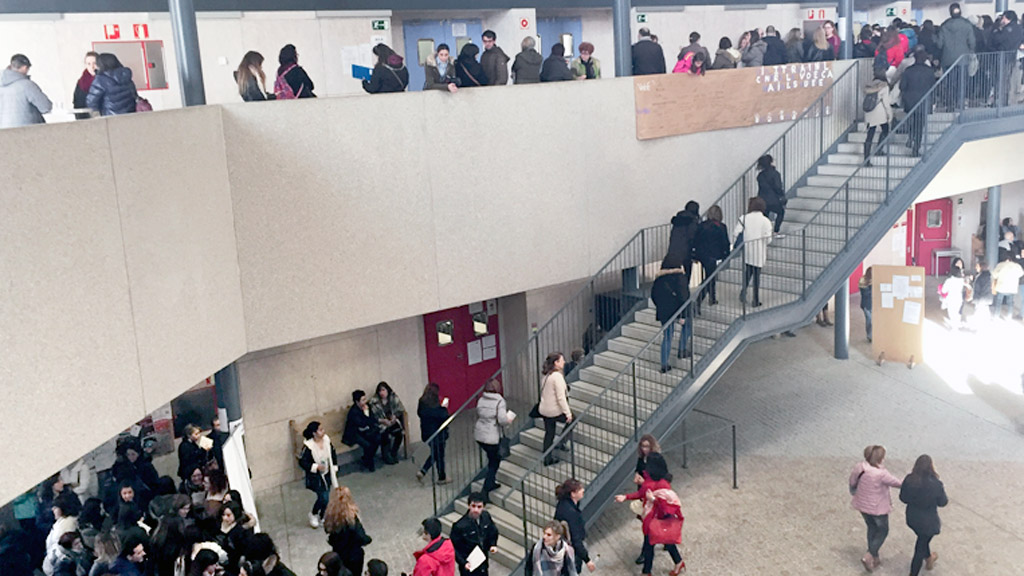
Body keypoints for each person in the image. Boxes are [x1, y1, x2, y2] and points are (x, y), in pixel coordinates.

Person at [614, 453, 685, 576]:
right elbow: (641, 493)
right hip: (654, 517)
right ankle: (676, 563)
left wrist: (652, 499)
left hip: (656, 517)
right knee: (664, 541)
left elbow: (665, 505)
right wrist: (625, 497)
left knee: (651, 543)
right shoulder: (655, 480)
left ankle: (647, 572)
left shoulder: (661, 484)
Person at [849, 445, 902, 572]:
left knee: (871, 528)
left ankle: (875, 557)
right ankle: (869, 554)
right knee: (883, 531)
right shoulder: (881, 474)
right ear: (880, 459)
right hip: (877, 508)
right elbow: (897, 483)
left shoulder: (860, 467)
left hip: (862, 505)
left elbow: (852, 482)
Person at [900, 455, 948, 576]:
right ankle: (913, 573)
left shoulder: (909, 480)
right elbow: (943, 502)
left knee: (923, 540)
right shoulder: (936, 484)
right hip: (928, 522)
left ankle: (929, 558)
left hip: (912, 518)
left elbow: (903, 498)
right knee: (920, 547)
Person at [475, 378, 514, 501]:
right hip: (492, 436)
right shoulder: (499, 401)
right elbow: (502, 420)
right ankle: (485, 490)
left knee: (492, 458)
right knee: (494, 462)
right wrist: (509, 419)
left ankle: (490, 483)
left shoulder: (481, 399)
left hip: (480, 434)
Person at [324, 487, 371, 576]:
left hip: (338, 553)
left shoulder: (330, 516)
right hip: (353, 555)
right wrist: (368, 539)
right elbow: (361, 536)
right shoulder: (351, 519)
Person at [651, 267, 690, 373]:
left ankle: (664, 364)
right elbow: (683, 297)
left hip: (663, 312)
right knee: (688, 326)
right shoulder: (679, 278)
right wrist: (682, 315)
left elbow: (653, 296)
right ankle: (682, 349)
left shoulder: (658, 280)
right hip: (676, 310)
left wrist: (661, 306)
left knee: (667, 337)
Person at [450, 492, 499, 576]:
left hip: (482, 561)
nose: (476, 510)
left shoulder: (486, 517)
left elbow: (493, 531)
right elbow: (454, 548)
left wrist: (492, 544)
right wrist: (463, 562)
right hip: (469, 565)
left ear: (483, 507)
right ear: (469, 506)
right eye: (473, 506)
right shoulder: (460, 526)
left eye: (479, 507)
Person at [737, 197, 774, 308]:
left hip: (748, 250)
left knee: (748, 272)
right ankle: (755, 299)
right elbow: (768, 239)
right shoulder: (765, 221)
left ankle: (743, 292)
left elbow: (736, 233)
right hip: (759, 251)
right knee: (756, 276)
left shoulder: (743, 218)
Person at [900, 47, 937, 157]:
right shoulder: (929, 72)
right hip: (924, 100)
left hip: (910, 100)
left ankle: (911, 136)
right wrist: (933, 100)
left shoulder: (908, 71)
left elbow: (902, 87)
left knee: (912, 120)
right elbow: (933, 87)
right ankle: (916, 148)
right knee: (920, 125)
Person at [936, 3, 975, 104]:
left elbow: (940, 44)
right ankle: (960, 102)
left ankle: (950, 102)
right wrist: (971, 51)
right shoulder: (967, 24)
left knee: (949, 83)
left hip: (947, 58)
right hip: (963, 59)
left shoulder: (944, 25)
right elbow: (972, 42)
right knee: (961, 82)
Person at [538, 353, 572, 466]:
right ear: (556, 363)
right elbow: (561, 397)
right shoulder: (557, 376)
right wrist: (568, 413)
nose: (564, 362)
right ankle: (562, 442)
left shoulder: (546, 376)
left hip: (544, 409)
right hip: (554, 410)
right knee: (572, 420)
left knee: (549, 433)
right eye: (562, 360)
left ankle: (547, 458)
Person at [554, 479, 594, 574]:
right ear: (573, 494)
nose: (583, 490)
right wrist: (587, 560)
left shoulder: (563, 504)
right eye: (579, 489)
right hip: (571, 553)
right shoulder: (571, 513)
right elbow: (576, 540)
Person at [0, 54, 52, 128]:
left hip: (5, 132)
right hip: (27, 132)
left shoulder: (1, 86)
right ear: (24, 68)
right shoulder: (27, 85)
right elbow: (46, 107)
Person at [694, 205, 730, 307]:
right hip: (713, 256)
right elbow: (725, 243)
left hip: (702, 255)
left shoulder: (701, 225)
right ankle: (699, 301)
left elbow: (696, 240)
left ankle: (712, 298)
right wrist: (726, 255)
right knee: (710, 278)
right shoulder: (721, 227)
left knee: (709, 276)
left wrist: (695, 255)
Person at [417, 382, 451, 484]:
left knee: (435, 453)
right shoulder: (436, 407)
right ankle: (441, 477)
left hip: (426, 433)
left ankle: (423, 471)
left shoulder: (422, 403)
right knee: (439, 455)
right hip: (438, 434)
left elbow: (419, 413)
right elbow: (444, 417)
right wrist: (444, 407)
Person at [342, 390, 382, 472]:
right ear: (357, 402)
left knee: (377, 438)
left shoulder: (367, 407)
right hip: (354, 433)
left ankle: (367, 459)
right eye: (363, 400)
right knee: (367, 444)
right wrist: (366, 413)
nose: (365, 402)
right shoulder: (353, 412)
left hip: (365, 431)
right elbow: (362, 424)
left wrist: (367, 414)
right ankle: (369, 462)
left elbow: (372, 420)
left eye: (365, 399)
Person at [369, 381, 406, 465]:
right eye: (380, 391)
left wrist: (395, 416)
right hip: (381, 423)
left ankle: (394, 452)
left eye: (383, 390)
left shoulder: (393, 398)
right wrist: (382, 421)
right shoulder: (374, 402)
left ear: (387, 390)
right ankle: (386, 456)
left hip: (392, 421)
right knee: (385, 435)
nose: (382, 393)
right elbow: (373, 417)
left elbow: (400, 409)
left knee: (399, 434)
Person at [863, 68, 893, 167]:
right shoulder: (884, 86)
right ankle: (879, 149)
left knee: (870, 135)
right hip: (880, 112)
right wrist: (890, 114)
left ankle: (866, 159)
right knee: (886, 130)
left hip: (869, 112)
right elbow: (886, 102)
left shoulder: (870, 84)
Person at [662, 201, 700, 275]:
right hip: (686, 250)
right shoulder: (693, 221)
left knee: (670, 272)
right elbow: (692, 237)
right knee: (687, 270)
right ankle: (685, 285)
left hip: (673, 250)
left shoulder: (678, 220)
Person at [756, 154, 786, 233]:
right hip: (774, 199)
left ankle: (765, 232)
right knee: (781, 213)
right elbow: (778, 187)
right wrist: (782, 195)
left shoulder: (760, 175)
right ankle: (776, 231)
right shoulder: (775, 174)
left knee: (765, 216)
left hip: (762, 200)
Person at [991, 251, 1023, 318]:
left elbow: (994, 275)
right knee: (1010, 303)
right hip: (1012, 288)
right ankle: (1009, 317)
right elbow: (1021, 273)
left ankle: (996, 316)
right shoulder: (1017, 266)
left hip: (1001, 287)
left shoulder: (1000, 265)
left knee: (998, 302)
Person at [72, 51, 98, 119]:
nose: (92, 67)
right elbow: (77, 103)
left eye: (94, 63)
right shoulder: (81, 82)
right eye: (88, 64)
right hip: (85, 118)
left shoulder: (104, 80)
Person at [859, 268, 873, 342]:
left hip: (873, 304)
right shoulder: (863, 280)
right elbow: (864, 293)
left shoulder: (874, 280)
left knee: (873, 320)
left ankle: (872, 335)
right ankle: (869, 336)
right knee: (869, 320)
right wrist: (871, 287)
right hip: (866, 304)